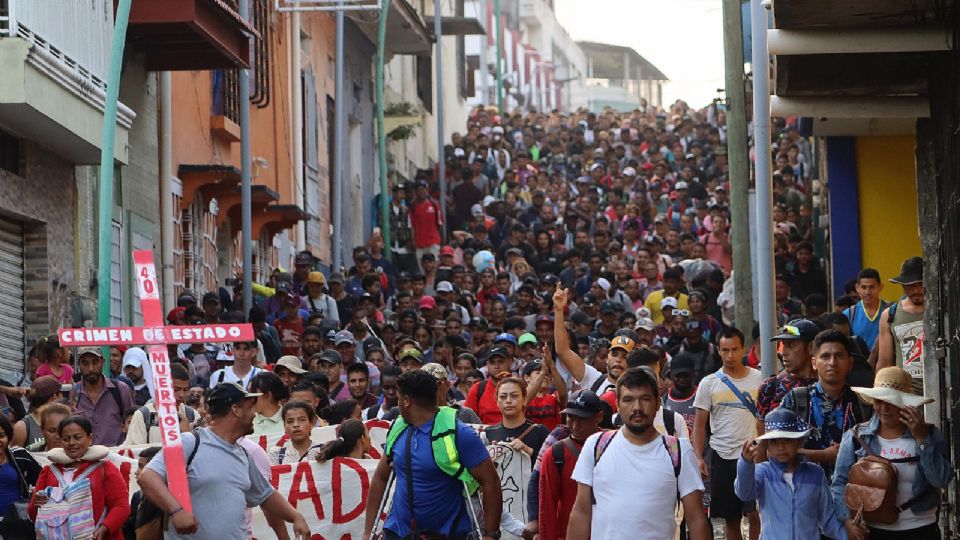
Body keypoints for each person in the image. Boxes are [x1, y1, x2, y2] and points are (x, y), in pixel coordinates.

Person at [138, 382, 311, 539]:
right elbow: (147, 477)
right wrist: (176, 510)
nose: (254, 414)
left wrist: (295, 516)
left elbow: (266, 495)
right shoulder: (189, 443)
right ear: (236, 409)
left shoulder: (243, 454)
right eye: (250, 408)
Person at [566, 367, 710, 540]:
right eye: (628, 400)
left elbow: (696, 519)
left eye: (645, 399)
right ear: (618, 405)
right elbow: (581, 512)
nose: (637, 408)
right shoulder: (596, 446)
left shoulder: (679, 451)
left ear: (657, 403)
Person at [363, 370, 502, 540]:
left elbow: (491, 481)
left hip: (448, 533)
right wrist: (368, 532)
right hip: (398, 532)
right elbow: (381, 477)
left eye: (399, 398)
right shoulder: (397, 428)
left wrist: (491, 535)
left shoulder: (459, 433)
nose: (396, 405)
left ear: (406, 401)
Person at [832, 367, 951, 540]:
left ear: (905, 404)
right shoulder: (856, 437)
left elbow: (940, 479)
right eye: (878, 401)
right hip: (873, 530)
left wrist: (921, 438)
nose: (884, 408)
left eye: (891, 402)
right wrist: (846, 520)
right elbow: (839, 482)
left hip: (922, 528)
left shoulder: (930, 434)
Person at [691, 327, 762, 540]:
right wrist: (698, 456)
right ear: (719, 352)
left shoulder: (759, 378)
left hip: (754, 455)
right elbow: (699, 424)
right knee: (731, 518)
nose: (730, 355)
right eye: (725, 350)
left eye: (735, 349)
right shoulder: (708, 383)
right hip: (721, 456)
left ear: (744, 349)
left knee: (755, 513)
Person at [734, 408, 847, 540]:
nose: (781, 447)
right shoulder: (763, 472)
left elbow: (828, 519)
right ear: (767, 446)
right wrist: (746, 464)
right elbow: (744, 493)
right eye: (774, 441)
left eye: (787, 440)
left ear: (799, 441)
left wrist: (846, 536)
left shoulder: (815, 474)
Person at [779, 329, 872, 478]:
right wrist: (823, 455)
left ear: (850, 363)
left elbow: (876, 450)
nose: (832, 363)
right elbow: (776, 450)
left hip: (852, 493)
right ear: (814, 363)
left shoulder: (863, 402)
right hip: (804, 491)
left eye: (839, 356)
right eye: (825, 356)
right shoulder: (797, 399)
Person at [29, 416, 130, 540]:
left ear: (90, 439)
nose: (72, 443)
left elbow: (121, 506)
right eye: (66, 439)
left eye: (77, 437)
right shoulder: (49, 471)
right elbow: (33, 513)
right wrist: (37, 503)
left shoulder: (105, 469)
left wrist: (104, 528)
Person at [536, 390, 606, 540]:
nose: (575, 425)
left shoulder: (612, 447)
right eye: (570, 418)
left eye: (582, 419)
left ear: (599, 417)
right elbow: (547, 507)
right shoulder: (555, 454)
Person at [877, 256, 926, 393]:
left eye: (919, 284)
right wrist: (881, 394)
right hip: (906, 395)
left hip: (943, 392)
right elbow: (885, 362)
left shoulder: (943, 310)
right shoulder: (890, 315)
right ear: (903, 286)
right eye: (910, 286)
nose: (916, 290)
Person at [72, 347, 137, 446]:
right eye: (85, 363)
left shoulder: (120, 390)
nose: (91, 368)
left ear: (103, 362)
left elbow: (133, 425)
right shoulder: (74, 393)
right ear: (79, 365)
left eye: (95, 362)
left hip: (117, 457)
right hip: (84, 458)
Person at [124, 363, 200, 446]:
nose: (181, 395)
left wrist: (187, 434)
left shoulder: (192, 415)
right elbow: (134, 452)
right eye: (176, 390)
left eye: (185, 390)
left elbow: (200, 452)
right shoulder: (143, 416)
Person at [756, 319, 819, 417]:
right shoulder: (770, 387)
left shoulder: (828, 387)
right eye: (783, 345)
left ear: (811, 347)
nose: (784, 352)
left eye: (791, 345)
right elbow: (762, 431)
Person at [484, 377, 550, 461]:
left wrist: (528, 450)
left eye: (514, 396)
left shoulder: (540, 431)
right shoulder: (488, 433)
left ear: (524, 399)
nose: (508, 401)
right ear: (497, 401)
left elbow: (551, 465)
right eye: (503, 397)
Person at [0, 414, 41, 536]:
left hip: (18, 523)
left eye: (1, 436)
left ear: (8, 437)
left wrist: (37, 497)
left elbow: (43, 480)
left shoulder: (21, 456)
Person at [464, 346, 514, 424]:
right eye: (492, 362)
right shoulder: (478, 389)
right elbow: (467, 420)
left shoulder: (520, 387)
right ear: (487, 364)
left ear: (510, 362)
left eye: (500, 362)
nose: (496, 366)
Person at [12, 375, 64, 448]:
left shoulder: (63, 422)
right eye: (60, 395)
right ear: (54, 397)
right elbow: (16, 457)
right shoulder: (22, 427)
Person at [842, 268, 886, 352]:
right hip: (859, 364)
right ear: (857, 288)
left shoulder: (891, 311)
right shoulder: (849, 315)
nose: (868, 292)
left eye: (872, 287)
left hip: (888, 364)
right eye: (864, 287)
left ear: (880, 287)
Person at [249, 372, 290, 436]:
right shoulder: (245, 421)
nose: (249, 398)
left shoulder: (290, 419)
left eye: (253, 392)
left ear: (268, 395)